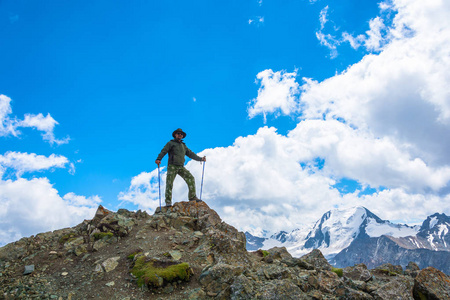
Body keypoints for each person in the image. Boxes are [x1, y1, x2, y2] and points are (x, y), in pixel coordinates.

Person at [155, 128, 206, 207]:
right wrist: (159, 158)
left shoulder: (183, 146)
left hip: (181, 167)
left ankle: (192, 197)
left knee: (191, 178)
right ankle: (168, 202)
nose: (180, 135)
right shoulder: (171, 143)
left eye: (181, 134)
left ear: (182, 136)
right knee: (169, 183)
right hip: (172, 166)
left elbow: (191, 154)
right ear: (175, 135)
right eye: (178, 133)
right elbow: (164, 150)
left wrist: (201, 159)